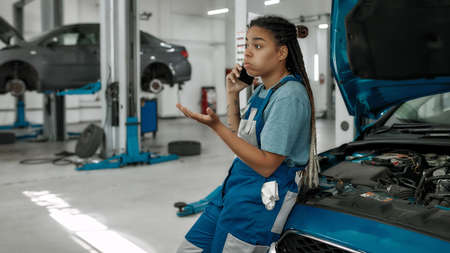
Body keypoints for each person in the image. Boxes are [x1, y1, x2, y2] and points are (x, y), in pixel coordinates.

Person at [176, 15, 319, 253]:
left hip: (258, 204)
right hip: (234, 191)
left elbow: (266, 165)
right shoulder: (262, 89)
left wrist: (216, 127)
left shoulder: (289, 96)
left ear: (282, 53)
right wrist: (232, 94)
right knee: (189, 249)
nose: (248, 53)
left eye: (258, 46)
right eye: (248, 46)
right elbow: (242, 137)